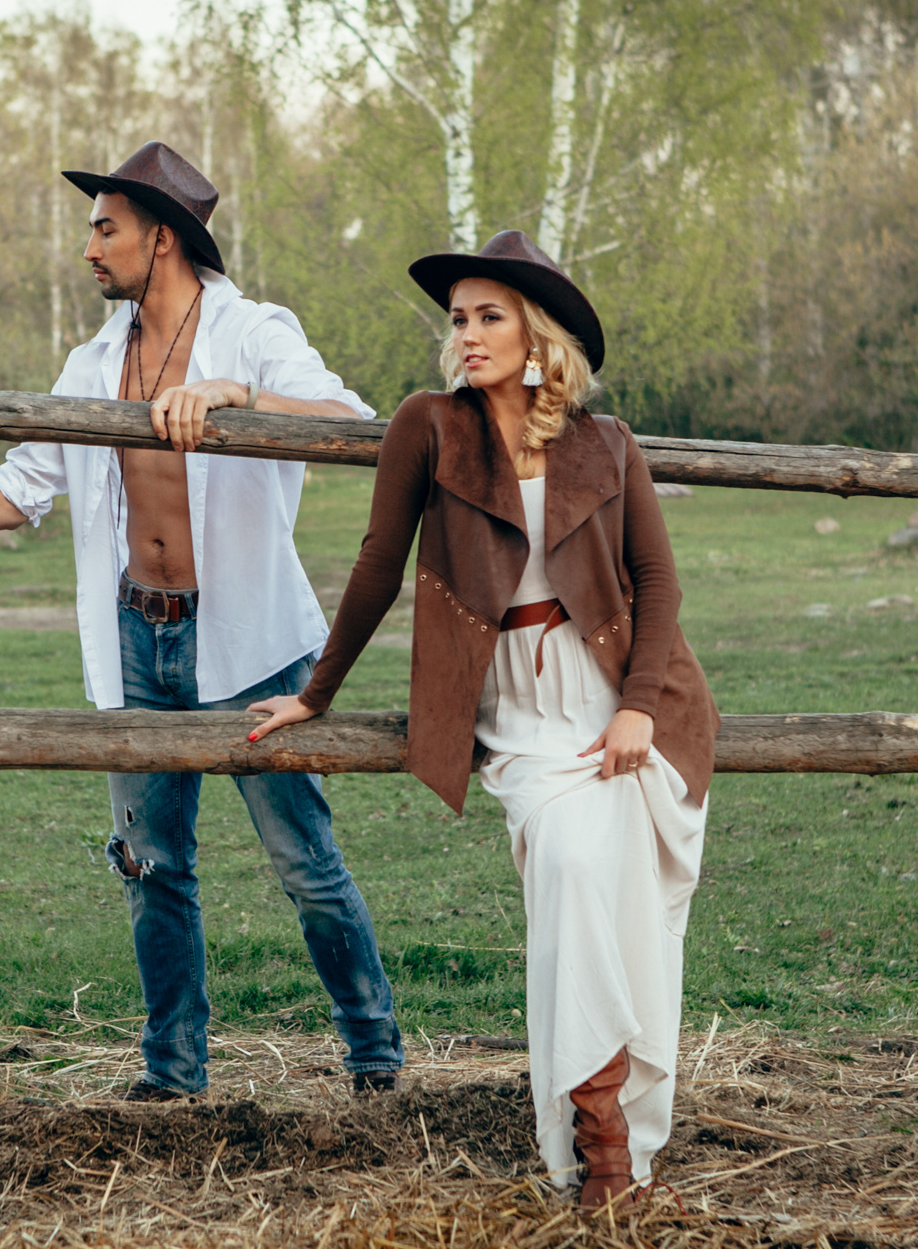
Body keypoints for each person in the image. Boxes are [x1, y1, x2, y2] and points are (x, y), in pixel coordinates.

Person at [0, 141, 406, 1100]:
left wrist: (237, 395)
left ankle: (375, 1061)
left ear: (161, 237)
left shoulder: (253, 331)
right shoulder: (91, 363)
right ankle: (172, 1074)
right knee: (152, 867)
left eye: (105, 229)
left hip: (249, 639)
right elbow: (19, 490)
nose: (88, 248)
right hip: (137, 641)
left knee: (305, 862)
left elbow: (355, 421)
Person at [248, 230, 718, 1208]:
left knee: (628, 917)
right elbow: (378, 561)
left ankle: (612, 1154)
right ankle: (597, 1141)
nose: (465, 333)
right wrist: (316, 693)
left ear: (535, 335)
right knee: (570, 864)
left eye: (487, 316)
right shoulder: (429, 426)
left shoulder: (606, 442)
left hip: (623, 700)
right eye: (458, 318)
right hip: (521, 710)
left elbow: (658, 581)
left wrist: (636, 707)